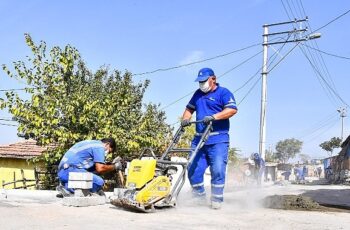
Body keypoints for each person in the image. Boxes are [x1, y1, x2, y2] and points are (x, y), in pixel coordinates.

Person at [181, 67, 237, 209]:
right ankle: (199, 198)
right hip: (199, 139)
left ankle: (217, 199)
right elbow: (189, 109)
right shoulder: (198, 94)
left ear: (213, 79)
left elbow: (232, 109)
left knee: (217, 169)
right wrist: (186, 118)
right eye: (199, 82)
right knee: (193, 169)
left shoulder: (223, 93)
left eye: (204, 81)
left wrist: (214, 117)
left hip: (218, 139)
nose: (201, 84)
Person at [56, 138, 123, 197]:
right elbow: (100, 169)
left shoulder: (92, 144)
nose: (107, 153)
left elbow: (94, 169)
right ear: (107, 144)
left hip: (63, 171)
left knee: (93, 173)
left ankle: (65, 185)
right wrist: (114, 166)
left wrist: (108, 165)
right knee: (99, 182)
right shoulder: (99, 147)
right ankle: (68, 188)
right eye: (109, 151)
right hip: (69, 171)